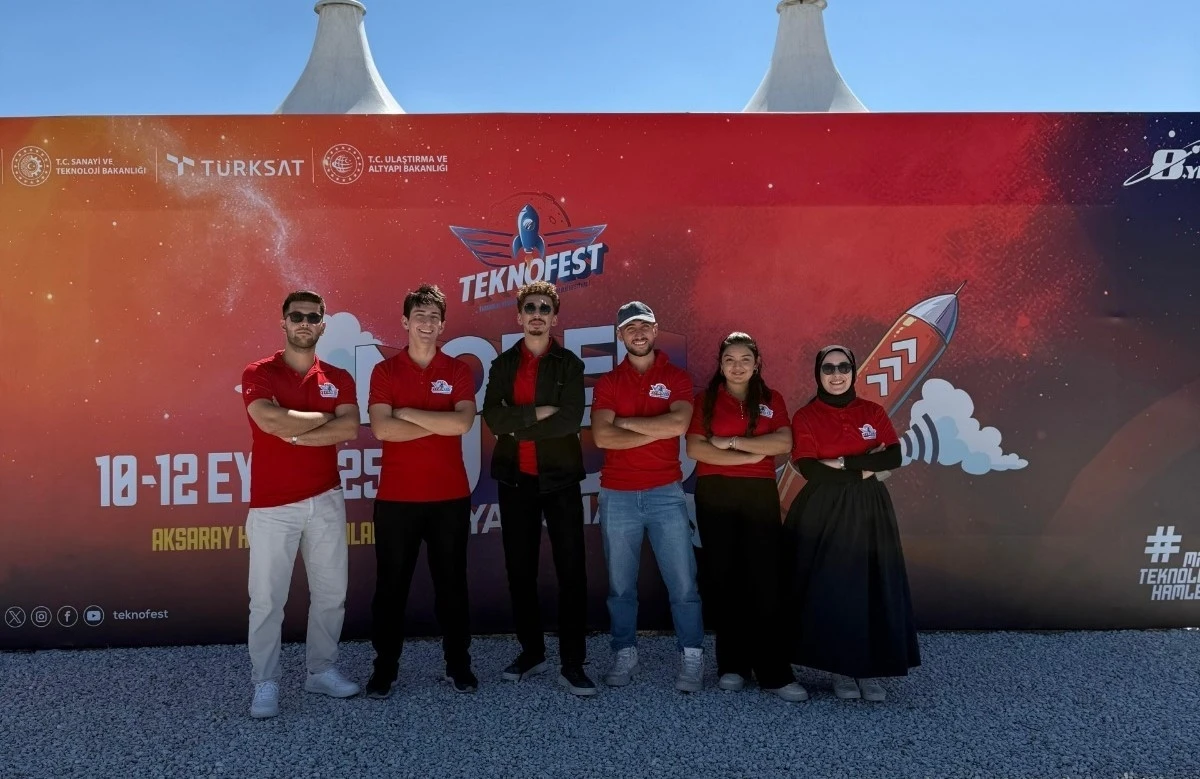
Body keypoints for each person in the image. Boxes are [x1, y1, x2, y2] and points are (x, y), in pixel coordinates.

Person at [240, 290, 362, 719]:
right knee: (267, 601)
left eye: (313, 317)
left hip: (326, 498)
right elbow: (267, 418)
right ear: (284, 322)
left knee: (332, 594)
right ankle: (265, 682)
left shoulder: (338, 376)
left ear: (323, 325)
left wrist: (292, 432)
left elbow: (349, 427)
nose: (304, 323)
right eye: (297, 316)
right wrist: (322, 419)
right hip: (273, 506)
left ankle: (321, 671)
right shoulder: (260, 371)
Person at [785, 345, 920, 702]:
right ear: (818, 374)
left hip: (871, 509)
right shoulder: (806, 415)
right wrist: (865, 468)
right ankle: (840, 669)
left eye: (843, 367)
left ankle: (868, 669)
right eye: (828, 368)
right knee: (834, 588)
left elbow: (894, 456)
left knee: (871, 585)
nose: (836, 374)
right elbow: (811, 469)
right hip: (824, 510)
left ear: (854, 372)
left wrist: (843, 463)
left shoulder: (872, 411)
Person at [481, 281, 595, 696]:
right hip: (516, 480)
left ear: (554, 318)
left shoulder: (570, 364)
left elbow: (569, 420)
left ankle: (573, 662)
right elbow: (493, 418)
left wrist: (520, 424)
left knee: (572, 571)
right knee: (520, 570)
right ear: (519, 316)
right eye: (530, 307)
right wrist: (539, 412)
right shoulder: (503, 364)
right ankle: (531, 652)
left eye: (545, 308)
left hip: (561, 479)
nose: (537, 314)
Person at [365, 283, 479, 697]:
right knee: (390, 588)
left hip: (449, 497)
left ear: (443, 324)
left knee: (452, 586)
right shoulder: (385, 371)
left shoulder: (458, 370)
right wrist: (437, 422)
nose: (427, 323)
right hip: (397, 499)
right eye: (420, 316)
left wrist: (409, 413)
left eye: (434, 317)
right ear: (405, 321)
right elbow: (382, 429)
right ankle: (385, 669)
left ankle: (458, 664)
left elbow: (462, 423)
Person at [684, 332, 809, 702]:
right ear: (721, 365)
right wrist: (754, 454)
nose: (737, 366)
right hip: (715, 495)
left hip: (759, 495)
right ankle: (733, 665)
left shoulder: (772, 399)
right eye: (729, 360)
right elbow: (695, 449)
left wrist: (732, 443)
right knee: (724, 578)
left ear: (756, 365)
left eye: (744, 360)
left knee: (764, 579)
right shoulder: (705, 400)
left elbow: (784, 443)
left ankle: (774, 672)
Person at [591, 300, 704, 692]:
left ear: (655, 331)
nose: (637, 334)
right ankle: (624, 652)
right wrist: (654, 427)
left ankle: (691, 654)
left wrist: (624, 423)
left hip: (665, 493)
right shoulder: (608, 382)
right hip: (617, 495)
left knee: (683, 583)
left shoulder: (676, 377)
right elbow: (602, 436)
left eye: (644, 326)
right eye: (630, 328)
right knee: (620, 586)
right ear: (620, 335)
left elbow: (679, 424)